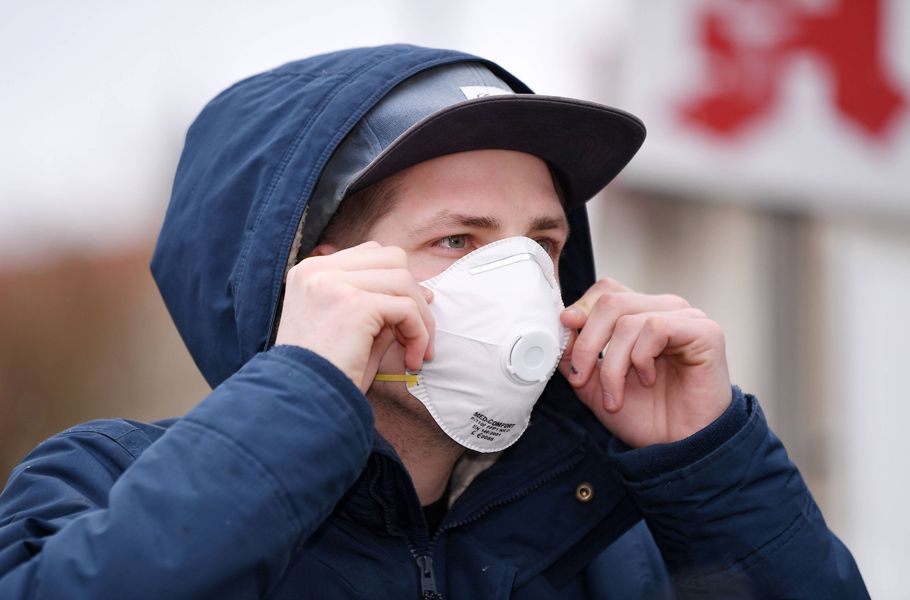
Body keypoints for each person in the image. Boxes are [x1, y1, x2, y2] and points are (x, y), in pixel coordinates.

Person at [0, 44, 867, 599]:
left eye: (543, 241)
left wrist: (710, 467)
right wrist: (300, 394)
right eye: (459, 238)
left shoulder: (607, 534)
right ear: (307, 275)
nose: (523, 280)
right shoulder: (98, 489)